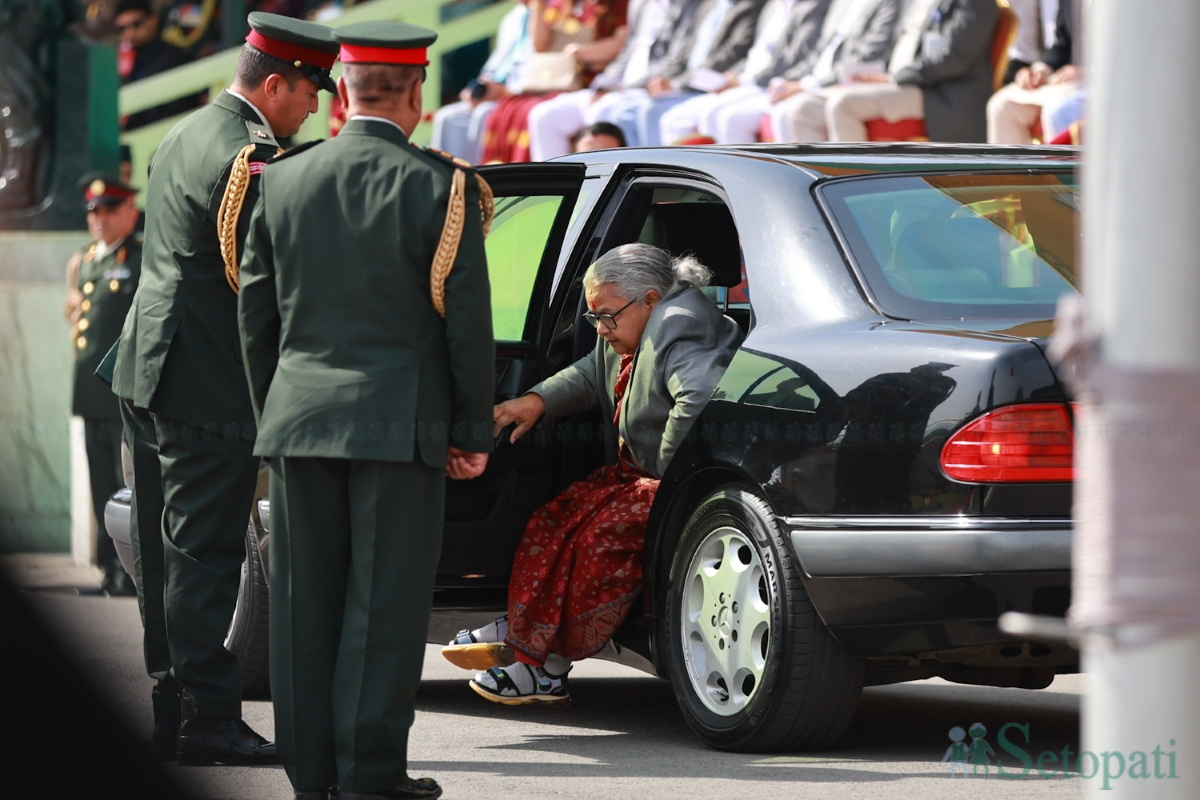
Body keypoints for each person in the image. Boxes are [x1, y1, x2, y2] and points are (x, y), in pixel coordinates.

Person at [238, 20, 496, 800]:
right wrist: (469, 431)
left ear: (341, 94)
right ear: (418, 94)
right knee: (382, 613)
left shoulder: (279, 179)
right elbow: (467, 324)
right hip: (397, 429)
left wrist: (273, 420)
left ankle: (310, 777)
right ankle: (370, 778)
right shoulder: (442, 187)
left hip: (298, 424)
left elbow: (256, 322)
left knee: (303, 611)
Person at [108, 12, 339, 767]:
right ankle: (205, 722)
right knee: (203, 559)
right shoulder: (251, 157)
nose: (314, 109)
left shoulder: (185, 132)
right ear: (275, 84)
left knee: (163, 553)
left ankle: (172, 712)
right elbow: (268, 288)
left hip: (149, 364)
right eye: (309, 94)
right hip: (206, 380)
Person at [441, 243, 743, 704]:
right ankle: (526, 633)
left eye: (606, 315)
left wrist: (662, 469)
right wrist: (536, 401)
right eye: (594, 317)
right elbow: (589, 372)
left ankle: (544, 663)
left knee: (598, 541)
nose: (600, 329)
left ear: (648, 299)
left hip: (670, 484)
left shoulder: (679, 326)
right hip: (634, 476)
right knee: (553, 521)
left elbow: (697, 400)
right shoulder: (634, 324)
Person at [63, 175, 142, 597]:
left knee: (127, 482)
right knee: (99, 480)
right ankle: (109, 569)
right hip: (91, 392)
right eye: (94, 211)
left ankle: (135, 571)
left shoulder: (142, 258)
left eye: (110, 209)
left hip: (123, 393)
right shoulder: (85, 260)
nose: (100, 219)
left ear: (130, 210)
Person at [779, 0, 997, 143]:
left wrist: (893, 78)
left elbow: (952, 58)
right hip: (895, 81)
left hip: (937, 90)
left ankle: (854, 197)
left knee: (843, 104)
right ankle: (819, 197)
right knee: (803, 109)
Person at [526, 0, 698, 161]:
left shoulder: (683, 4)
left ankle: (613, 186)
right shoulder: (639, 3)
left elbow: (675, 57)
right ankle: (558, 187)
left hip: (642, 87)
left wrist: (623, 86)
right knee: (543, 116)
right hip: (616, 85)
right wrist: (606, 83)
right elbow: (626, 50)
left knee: (602, 112)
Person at [657, 0, 829, 144]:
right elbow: (753, 55)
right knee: (673, 119)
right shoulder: (772, 7)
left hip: (769, 84)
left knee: (730, 117)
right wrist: (735, 77)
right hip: (753, 82)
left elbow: (789, 60)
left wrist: (745, 80)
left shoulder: (810, 5)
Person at [480, 0, 629, 163]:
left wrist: (582, 53)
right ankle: (553, 185)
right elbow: (540, 46)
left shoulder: (618, 4)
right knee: (542, 116)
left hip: (606, 85)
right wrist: (537, 5)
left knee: (600, 114)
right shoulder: (559, 5)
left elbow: (620, 44)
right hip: (568, 89)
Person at [608, 0, 770, 147]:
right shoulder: (708, 5)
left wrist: (677, 84)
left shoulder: (748, 5)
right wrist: (654, 82)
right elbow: (683, 56)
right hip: (688, 82)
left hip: (709, 85)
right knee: (622, 113)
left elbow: (731, 52)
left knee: (656, 113)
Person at [430, 0, 532, 164]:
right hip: (497, 92)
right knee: (448, 116)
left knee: (483, 113)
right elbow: (496, 63)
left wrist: (505, 91)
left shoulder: (549, 14)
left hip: (523, 94)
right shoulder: (513, 17)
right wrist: (476, 88)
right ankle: (446, 181)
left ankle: (475, 182)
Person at [987, 0, 1084, 144]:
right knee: (1001, 107)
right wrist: (1040, 71)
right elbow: (1062, 43)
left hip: (1108, 82)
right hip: (1070, 81)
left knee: (1055, 111)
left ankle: (1057, 167)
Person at [113, 0, 196, 130]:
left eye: (136, 24)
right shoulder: (129, 62)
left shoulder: (173, 56)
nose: (129, 33)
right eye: (122, 29)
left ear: (153, 21)